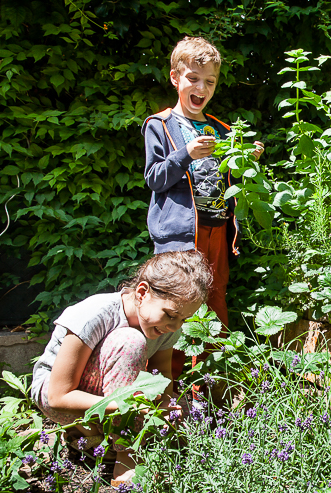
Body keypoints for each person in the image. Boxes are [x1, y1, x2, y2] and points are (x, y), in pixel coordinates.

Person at [30, 251, 213, 484]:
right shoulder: (95, 314)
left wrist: (166, 402)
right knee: (131, 342)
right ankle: (126, 457)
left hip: (118, 396)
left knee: (192, 412)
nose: (174, 326)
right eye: (170, 315)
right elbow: (58, 396)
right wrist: (129, 405)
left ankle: (94, 441)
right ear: (142, 292)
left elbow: (162, 375)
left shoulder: (165, 327)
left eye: (183, 320)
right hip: (62, 396)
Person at [141, 36, 263, 378]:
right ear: (175, 78)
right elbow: (154, 178)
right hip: (181, 236)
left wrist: (245, 161)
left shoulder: (222, 129)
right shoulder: (160, 124)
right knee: (177, 309)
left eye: (210, 82)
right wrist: (186, 154)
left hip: (218, 231)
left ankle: (211, 391)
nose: (202, 87)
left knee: (215, 302)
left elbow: (232, 180)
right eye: (194, 78)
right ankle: (167, 390)